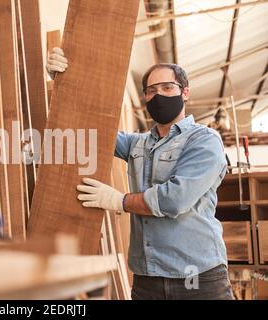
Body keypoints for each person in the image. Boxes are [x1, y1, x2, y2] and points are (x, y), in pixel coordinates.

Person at [47, 47, 234, 300]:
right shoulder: (138, 144)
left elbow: (175, 199)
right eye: (151, 91)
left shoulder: (204, 140)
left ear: (185, 92)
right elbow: (89, 130)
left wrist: (118, 200)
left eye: (167, 88)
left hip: (197, 277)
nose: (158, 96)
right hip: (147, 279)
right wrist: (63, 84)